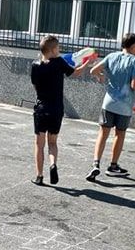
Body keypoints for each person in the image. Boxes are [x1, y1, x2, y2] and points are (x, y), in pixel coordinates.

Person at [86, 32, 135, 181]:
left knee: (103, 133)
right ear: (134, 46)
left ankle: (96, 164)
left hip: (108, 102)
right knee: (119, 134)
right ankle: (113, 166)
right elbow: (134, 85)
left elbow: (93, 70)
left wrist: (101, 76)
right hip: (124, 105)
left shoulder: (111, 56)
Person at [30, 36, 90, 185]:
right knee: (52, 143)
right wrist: (86, 63)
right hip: (56, 109)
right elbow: (75, 72)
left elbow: (35, 86)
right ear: (52, 50)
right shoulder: (59, 63)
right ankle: (53, 164)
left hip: (41, 109)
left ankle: (39, 176)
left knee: (39, 144)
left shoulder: (35, 65)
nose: (60, 50)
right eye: (58, 47)